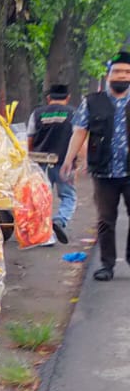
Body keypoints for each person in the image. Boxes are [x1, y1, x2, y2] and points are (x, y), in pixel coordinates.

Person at [62, 53, 130, 280]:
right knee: (105, 220)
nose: (123, 76)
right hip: (104, 171)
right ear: (109, 75)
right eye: (118, 71)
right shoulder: (92, 101)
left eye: (127, 72)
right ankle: (106, 265)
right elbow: (80, 131)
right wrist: (69, 158)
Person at [26, 83, 76, 242]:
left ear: (48, 98)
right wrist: (79, 161)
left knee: (41, 198)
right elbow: (79, 136)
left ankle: (43, 234)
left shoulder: (37, 113)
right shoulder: (74, 113)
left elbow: (30, 138)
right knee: (68, 195)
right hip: (64, 161)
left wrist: (28, 159)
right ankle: (59, 221)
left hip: (39, 162)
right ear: (68, 98)